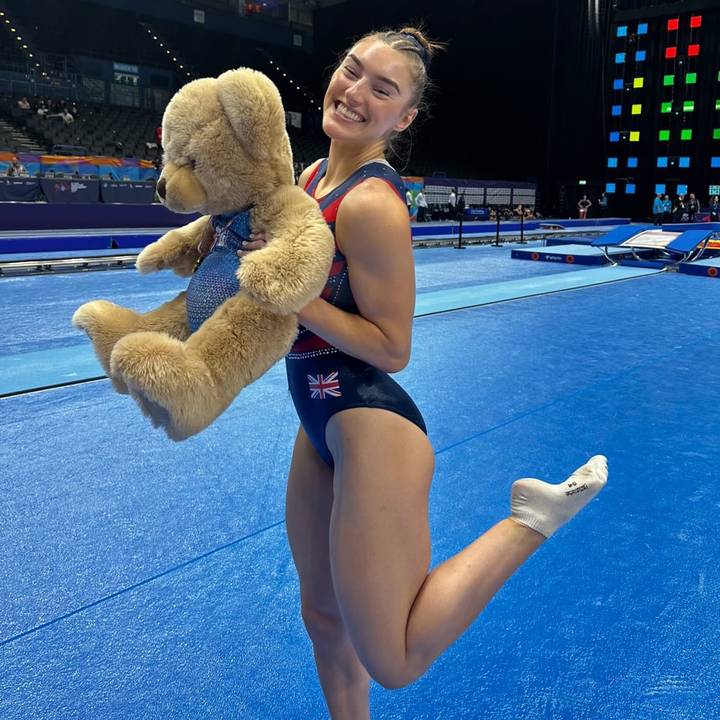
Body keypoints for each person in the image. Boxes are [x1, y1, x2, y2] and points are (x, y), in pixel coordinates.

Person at [239, 27, 607, 714]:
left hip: (370, 424)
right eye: (352, 71)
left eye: (382, 90)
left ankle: (532, 518)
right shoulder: (311, 179)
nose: (355, 92)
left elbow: (391, 347)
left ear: (403, 119)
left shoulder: (371, 204)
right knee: (323, 620)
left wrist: (296, 297)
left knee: (397, 659)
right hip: (315, 415)